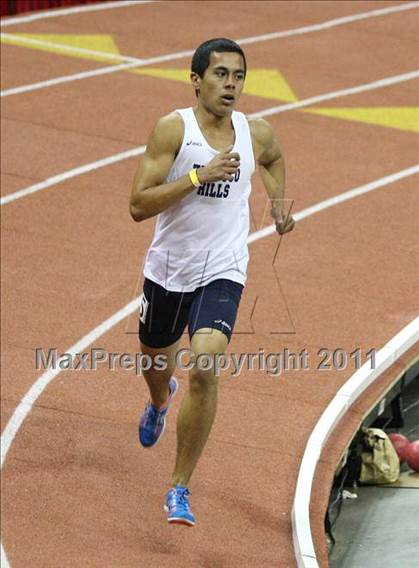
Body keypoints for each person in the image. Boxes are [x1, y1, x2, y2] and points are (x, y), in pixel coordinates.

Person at [129, 38, 294, 526]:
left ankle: (179, 487)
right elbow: (139, 205)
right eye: (220, 74)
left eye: (238, 76)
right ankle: (160, 401)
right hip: (168, 271)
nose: (231, 85)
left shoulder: (254, 131)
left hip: (223, 269)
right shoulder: (173, 130)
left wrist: (279, 206)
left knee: (204, 367)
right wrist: (199, 177)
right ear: (196, 80)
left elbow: (274, 158)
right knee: (156, 363)